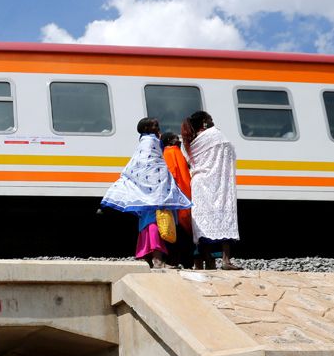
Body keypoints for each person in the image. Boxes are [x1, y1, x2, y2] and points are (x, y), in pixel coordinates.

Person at [101, 117, 192, 268]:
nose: (158, 127)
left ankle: (149, 258)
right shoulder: (152, 142)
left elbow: (144, 164)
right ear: (147, 128)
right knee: (156, 223)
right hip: (155, 191)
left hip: (148, 191)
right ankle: (157, 259)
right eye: (155, 125)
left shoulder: (144, 142)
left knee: (148, 223)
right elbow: (155, 165)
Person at [185, 111, 241, 270]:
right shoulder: (216, 135)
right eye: (210, 119)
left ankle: (208, 260)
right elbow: (229, 151)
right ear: (204, 122)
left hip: (199, 184)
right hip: (218, 182)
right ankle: (226, 260)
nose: (213, 121)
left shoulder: (192, 140)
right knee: (224, 216)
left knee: (203, 223)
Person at [161, 131, 194, 268]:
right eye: (175, 138)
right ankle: (186, 261)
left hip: (177, 199)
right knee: (184, 231)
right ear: (169, 140)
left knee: (175, 230)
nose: (178, 139)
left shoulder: (168, 153)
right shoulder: (174, 152)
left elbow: (171, 175)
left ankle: (174, 260)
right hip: (185, 197)